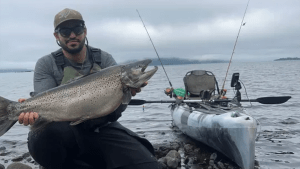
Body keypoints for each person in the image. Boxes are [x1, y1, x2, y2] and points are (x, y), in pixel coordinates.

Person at [18, 8, 159, 169]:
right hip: (63, 132)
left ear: (84, 31)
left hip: (100, 129)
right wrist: (30, 112)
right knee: (44, 136)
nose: (72, 35)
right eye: (65, 31)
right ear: (57, 36)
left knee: (148, 165)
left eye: (77, 29)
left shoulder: (105, 60)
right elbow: (44, 108)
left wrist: (126, 95)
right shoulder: (45, 64)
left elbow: (114, 114)